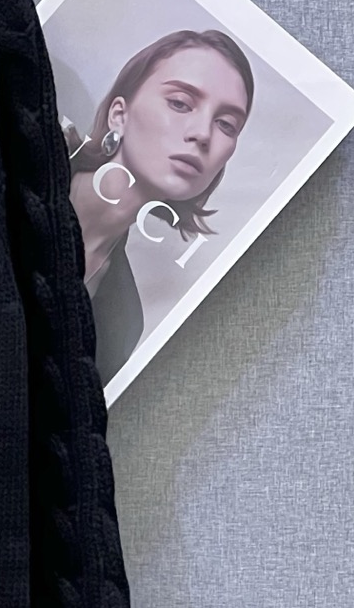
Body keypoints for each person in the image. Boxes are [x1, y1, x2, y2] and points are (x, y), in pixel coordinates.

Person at [61, 28, 254, 383]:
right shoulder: (21, 163)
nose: (203, 134)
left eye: (227, 125)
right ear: (120, 115)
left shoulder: (122, 321)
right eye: (180, 103)